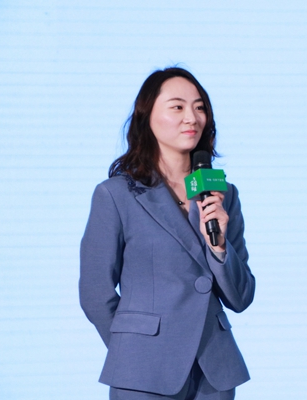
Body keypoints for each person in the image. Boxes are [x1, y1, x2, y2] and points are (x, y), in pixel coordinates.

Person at [79, 67, 255, 400]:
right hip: (144, 373)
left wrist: (219, 247)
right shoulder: (116, 195)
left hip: (214, 373)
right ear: (147, 117)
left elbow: (241, 296)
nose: (192, 117)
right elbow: (94, 292)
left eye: (199, 107)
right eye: (177, 106)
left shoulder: (223, 193)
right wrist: (133, 352)